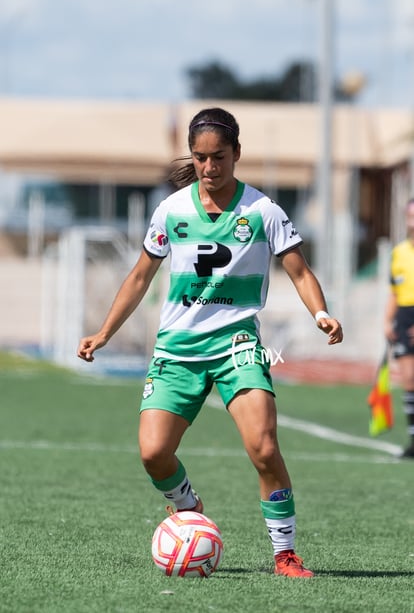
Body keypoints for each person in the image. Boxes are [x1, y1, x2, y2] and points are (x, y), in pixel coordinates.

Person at [77, 107, 343, 577]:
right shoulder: (172, 210)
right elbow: (140, 277)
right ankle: (187, 505)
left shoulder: (262, 211)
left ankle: (285, 554)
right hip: (177, 351)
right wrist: (104, 332)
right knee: (153, 453)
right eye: (200, 158)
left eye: (218, 156)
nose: (209, 167)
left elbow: (299, 271)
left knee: (263, 447)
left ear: (237, 153)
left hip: (238, 346)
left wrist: (320, 312)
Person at [384, 198, 414, 459]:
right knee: (408, 378)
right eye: (410, 216)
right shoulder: (399, 252)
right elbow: (394, 291)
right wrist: (388, 321)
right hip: (404, 316)